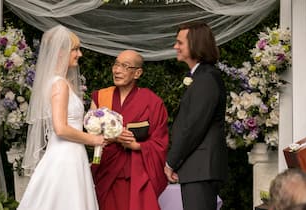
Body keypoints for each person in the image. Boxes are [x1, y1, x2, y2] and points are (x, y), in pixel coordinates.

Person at [17, 25, 105, 210]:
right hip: (65, 158)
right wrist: (93, 139)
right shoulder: (59, 85)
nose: (79, 54)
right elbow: (61, 128)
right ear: (60, 52)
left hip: (72, 155)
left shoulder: (62, 82)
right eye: (75, 49)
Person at [90, 49, 169, 210]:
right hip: (107, 171)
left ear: (137, 73)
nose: (117, 70)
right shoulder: (101, 97)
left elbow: (160, 142)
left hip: (137, 174)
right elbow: (90, 138)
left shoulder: (152, 102)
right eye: (116, 64)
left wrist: (137, 146)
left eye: (125, 66)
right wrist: (114, 138)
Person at [164, 21, 228, 210]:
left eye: (180, 43)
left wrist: (171, 162)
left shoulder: (206, 78)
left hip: (201, 168)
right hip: (198, 168)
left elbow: (193, 127)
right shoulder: (201, 76)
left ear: (195, 44)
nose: (175, 47)